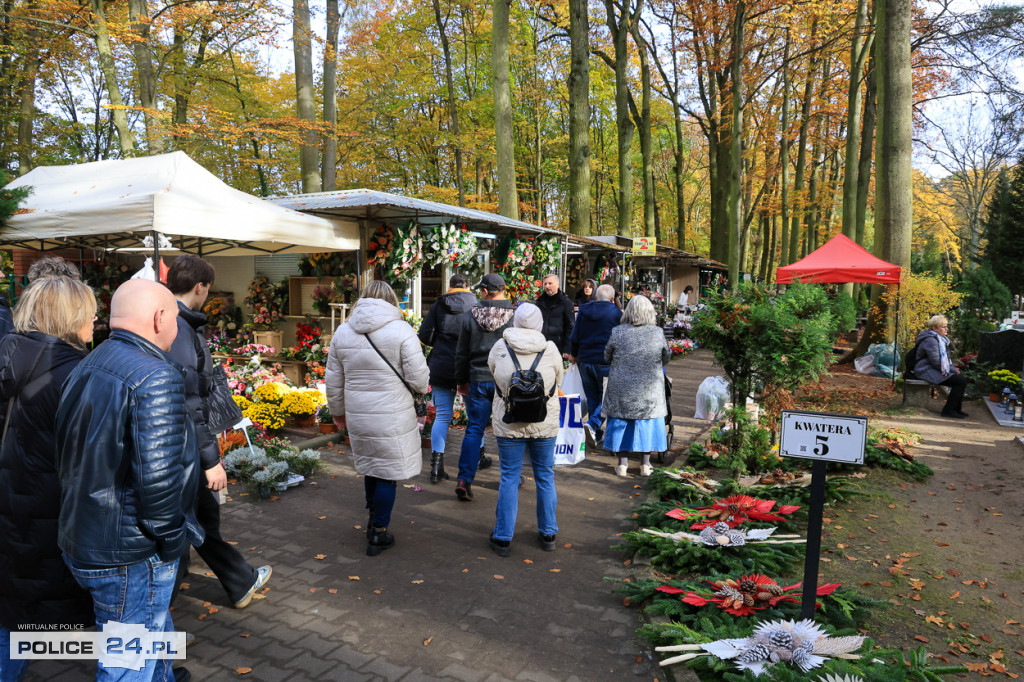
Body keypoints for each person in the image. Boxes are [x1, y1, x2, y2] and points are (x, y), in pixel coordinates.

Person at [56, 278, 202, 682]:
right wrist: (172, 539)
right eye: (174, 317)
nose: (176, 327)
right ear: (159, 318)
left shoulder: (89, 360)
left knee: (151, 634)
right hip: (127, 552)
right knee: (126, 663)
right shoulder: (154, 376)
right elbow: (158, 482)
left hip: (86, 535)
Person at [0, 277, 97, 682]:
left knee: (12, 609)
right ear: (70, 316)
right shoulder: (76, 373)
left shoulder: (7, 353)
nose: (97, 318)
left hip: (11, 506)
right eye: (91, 311)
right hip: (54, 513)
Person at [166, 255, 271, 608]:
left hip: (181, 443)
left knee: (199, 519)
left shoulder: (173, 321)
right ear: (201, 287)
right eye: (208, 288)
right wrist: (210, 457)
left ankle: (239, 580)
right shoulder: (179, 327)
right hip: (185, 446)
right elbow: (188, 398)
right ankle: (159, 616)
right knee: (192, 523)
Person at [326, 280, 429, 556]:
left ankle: (373, 520)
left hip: (358, 414)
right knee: (387, 473)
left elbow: (334, 381)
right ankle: (379, 532)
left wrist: (337, 414)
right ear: (392, 301)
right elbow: (419, 380)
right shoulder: (402, 330)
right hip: (392, 414)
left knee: (371, 466)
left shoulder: (343, 332)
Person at [486, 303, 563, 557]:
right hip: (544, 423)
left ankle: (503, 537)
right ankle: (548, 532)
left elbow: (495, 376)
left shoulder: (500, 347)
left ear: (515, 322)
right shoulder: (550, 350)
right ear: (540, 324)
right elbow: (558, 382)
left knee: (509, 477)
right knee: (545, 476)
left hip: (509, 422)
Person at [453, 273, 515, 501]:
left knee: (474, 429)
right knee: (508, 431)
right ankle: (512, 476)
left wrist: (461, 381)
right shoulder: (514, 316)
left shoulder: (471, 315)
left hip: (477, 380)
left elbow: (462, 352)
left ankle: (464, 479)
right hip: (505, 382)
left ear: (487, 291)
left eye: (481, 290)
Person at [417, 274, 478, 483]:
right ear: (467, 286)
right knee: (474, 416)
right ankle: (478, 457)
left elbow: (424, 335)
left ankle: (436, 467)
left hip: (442, 365)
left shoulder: (438, 305)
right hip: (470, 366)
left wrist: (441, 341)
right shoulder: (477, 305)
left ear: (450, 286)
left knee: (442, 415)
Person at [602, 295, 672, 477]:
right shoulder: (657, 332)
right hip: (649, 391)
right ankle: (645, 465)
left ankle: (622, 465)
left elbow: (606, 357)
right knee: (647, 423)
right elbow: (666, 356)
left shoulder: (618, 332)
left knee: (621, 422)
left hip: (622, 389)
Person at [567, 284, 621, 445]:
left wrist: (574, 354)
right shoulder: (616, 314)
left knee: (592, 398)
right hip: (606, 361)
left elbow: (574, 335)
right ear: (612, 299)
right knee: (608, 397)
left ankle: (595, 434)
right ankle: (593, 424)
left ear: (596, 297)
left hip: (585, 360)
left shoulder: (583, 310)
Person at [912, 314, 969, 419]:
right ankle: (949, 411)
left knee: (961, 380)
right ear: (934, 328)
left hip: (932, 368)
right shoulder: (931, 340)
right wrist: (952, 370)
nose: (946, 329)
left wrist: (952, 368)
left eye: (946, 326)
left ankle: (956, 409)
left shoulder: (940, 338)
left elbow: (945, 359)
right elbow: (936, 362)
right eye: (943, 326)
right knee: (960, 381)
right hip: (925, 369)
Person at [535, 273, 575, 358]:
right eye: (545, 284)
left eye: (550, 283)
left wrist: (567, 348)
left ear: (557, 284)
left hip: (558, 347)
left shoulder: (565, 302)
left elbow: (570, 326)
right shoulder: (539, 302)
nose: (547, 286)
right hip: (541, 345)